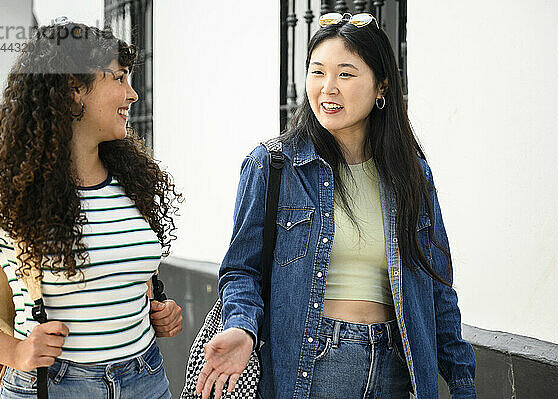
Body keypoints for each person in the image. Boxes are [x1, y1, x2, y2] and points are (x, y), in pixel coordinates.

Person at [196, 12, 476, 399]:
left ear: (381, 87)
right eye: (317, 72)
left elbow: (438, 287)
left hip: (397, 366)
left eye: (345, 74)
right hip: (316, 362)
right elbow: (241, 269)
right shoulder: (273, 165)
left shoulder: (412, 176)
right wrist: (241, 325)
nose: (328, 88)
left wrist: (462, 382)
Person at [0, 19, 182, 398]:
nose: (132, 95)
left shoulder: (133, 180)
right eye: (118, 79)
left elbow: (118, 271)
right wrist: (15, 351)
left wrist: (155, 311)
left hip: (145, 378)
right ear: (72, 90)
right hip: (54, 386)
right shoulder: (6, 192)